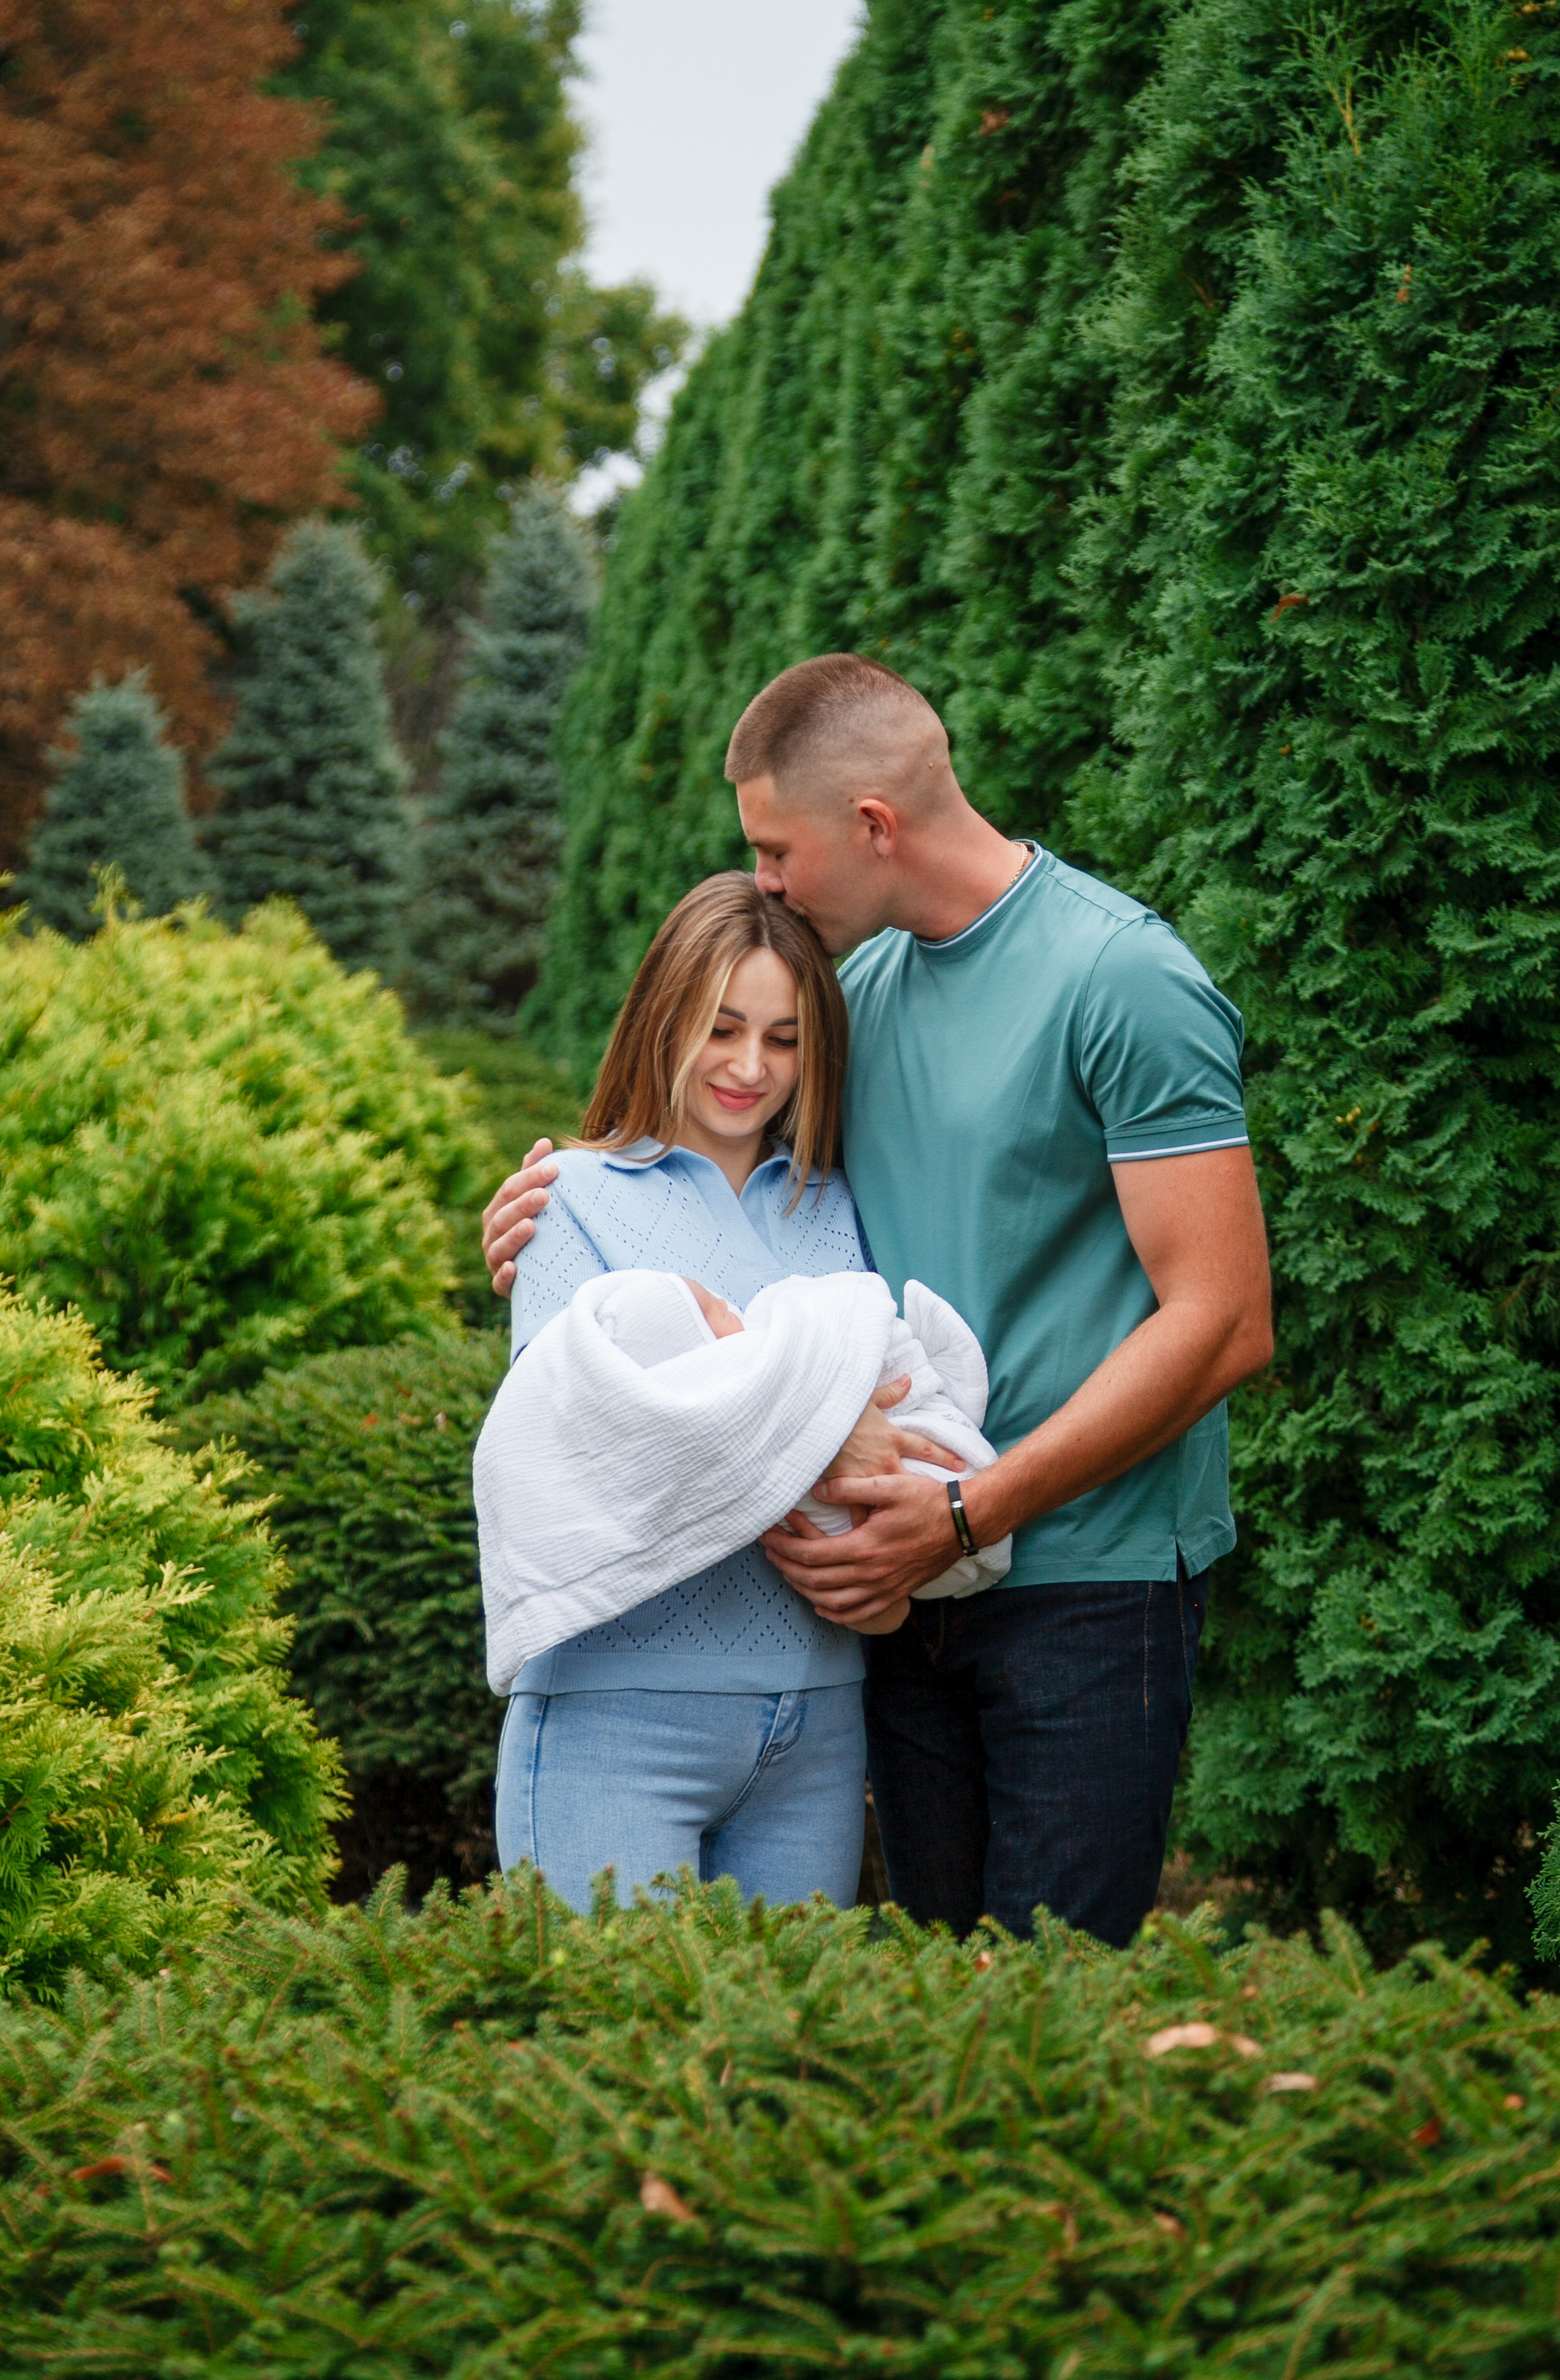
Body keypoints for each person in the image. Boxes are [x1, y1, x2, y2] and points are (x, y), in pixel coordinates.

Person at [484, 654, 1273, 1947]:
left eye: (775, 849)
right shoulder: (857, 997)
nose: (765, 882)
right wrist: (557, 1198)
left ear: (872, 826)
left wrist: (969, 1509)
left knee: (1047, 2011)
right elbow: (706, 1156)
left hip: (1083, 1576)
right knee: (923, 2019)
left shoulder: (1121, 979)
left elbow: (1227, 1320)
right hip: (893, 1597)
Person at [487, 868, 934, 1914]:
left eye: (783, 1040)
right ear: (662, 1016)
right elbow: (587, 1448)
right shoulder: (573, 1203)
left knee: (784, 2068)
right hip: (617, 1717)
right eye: (721, 1027)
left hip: (818, 1726)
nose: (749, 1067)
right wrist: (824, 1428)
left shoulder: (841, 1204)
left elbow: (908, 1406)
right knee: (620, 2061)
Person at [472, 1261, 1005, 1688]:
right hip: (916, 1536)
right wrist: (824, 1408)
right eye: (708, 1308)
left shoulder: (835, 1185)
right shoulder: (743, 1408)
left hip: (934, 1547)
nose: (728, 1303)